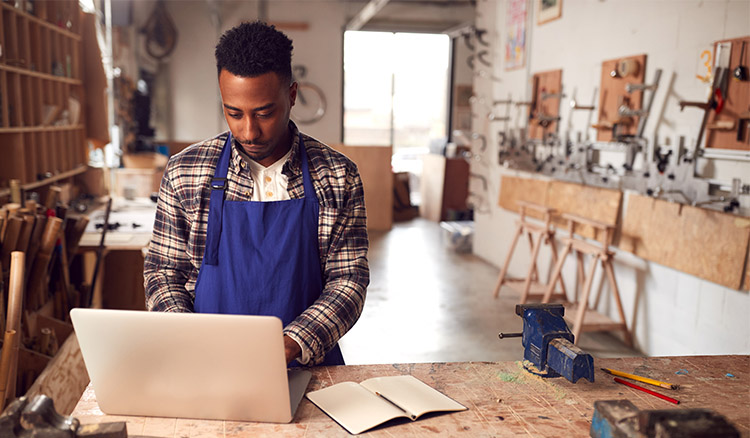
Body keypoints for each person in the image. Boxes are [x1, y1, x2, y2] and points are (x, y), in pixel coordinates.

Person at [144, 21, 369, 367]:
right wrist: (186, 334)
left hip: (307, 367)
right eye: (234, 113)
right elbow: (163, 272)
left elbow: (348, 279)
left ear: (292, 95)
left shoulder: (338, 176)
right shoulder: (185, 172)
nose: (249, 131)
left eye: (264, 113)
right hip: (208, 365)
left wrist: (296, 340)